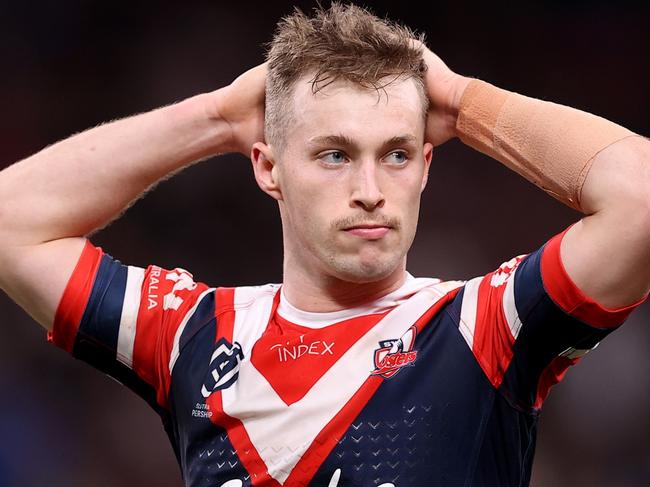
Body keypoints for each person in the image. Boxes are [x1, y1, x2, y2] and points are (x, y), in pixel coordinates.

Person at [0, 2, 648, 486]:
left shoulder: (484, 326)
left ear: (426, 164)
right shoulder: (190, 335)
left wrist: (464, 102)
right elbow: (10, 219)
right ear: (267, 167)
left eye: (395, 154)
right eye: (334, 154)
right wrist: (217, 117)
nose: (370, 189)